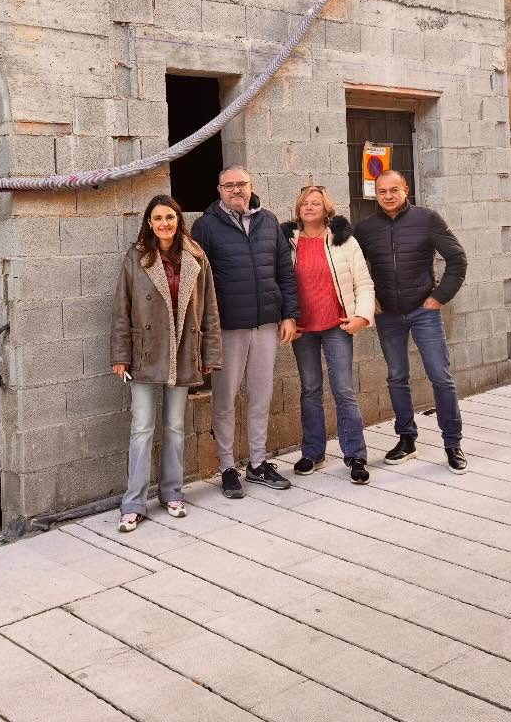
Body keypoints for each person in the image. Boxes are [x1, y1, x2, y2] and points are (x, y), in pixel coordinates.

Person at [112, 194, 222, 531]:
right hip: (145, 354)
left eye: (170, 218)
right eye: (158, 218)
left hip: (183, 350)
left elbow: (210, 311)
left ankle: (172, 492)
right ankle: (134, 503)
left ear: (178, 220)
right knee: (142, 428)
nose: (164, 224)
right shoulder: (136, 259)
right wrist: (121, 355)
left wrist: (210, 353)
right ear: (149, 222)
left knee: (175, 427)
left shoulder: (196, 257)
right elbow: (121, 310)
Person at [190, 166, 299, 497]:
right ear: (219, 189)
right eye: (229, 185)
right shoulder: (205, 226)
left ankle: (256, 463)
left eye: (242, 184)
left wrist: (289, 315)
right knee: (224, 399)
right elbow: (198, 282)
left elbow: (285, 270)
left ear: (252, 186)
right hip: (227, 328)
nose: (236, 190)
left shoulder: (268, 221)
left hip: (266, 323)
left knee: (261, 396)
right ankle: (226, 467)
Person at [353, 170, 470, 474]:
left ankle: (452, 443)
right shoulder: (366, 229)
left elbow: (457, 259)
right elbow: (351, 268)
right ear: (374, 194)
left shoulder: (427, 219)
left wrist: (440, 296)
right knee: (396, 377)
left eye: (394, 190)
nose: (388, 196)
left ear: (405, 189)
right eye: (381, 192)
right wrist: (368, 300)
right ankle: (407, 439)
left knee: (440, 377)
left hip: (423, 311)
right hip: (388, 315)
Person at [281, 185, 375, 484]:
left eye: (316, 203)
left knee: (344, 390)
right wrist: (287, 319)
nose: (309, 208)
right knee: (310, 390)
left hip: (337, 325)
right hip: (303, 328)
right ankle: (313, 453)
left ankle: (355, 455)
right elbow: (279, 284)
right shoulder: (288, 242)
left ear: (326, 209)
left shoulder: (343, 240)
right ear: (298, 208)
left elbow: (364, 282)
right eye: (305, 203)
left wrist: (362, 316)